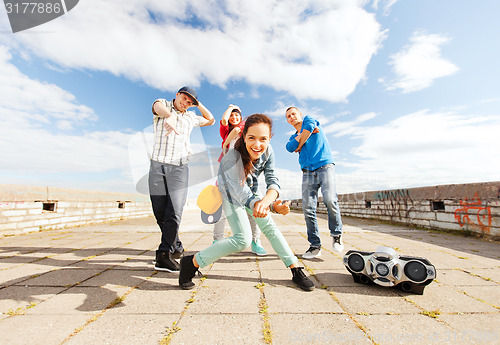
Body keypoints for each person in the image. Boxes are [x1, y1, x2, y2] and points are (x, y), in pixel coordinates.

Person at [179, 114, 315, 291]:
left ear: (269, 139)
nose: (257, 145)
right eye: (251, 138)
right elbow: (241, 194)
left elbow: (272, 179)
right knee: (242, 240)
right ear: (243, 137)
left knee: (270, 228)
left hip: (252, 192)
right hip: (231, 195)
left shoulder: (268, 151)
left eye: (263, 139)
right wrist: (270, 207)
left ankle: (295, 268)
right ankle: (192, 262)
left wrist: (269, 201)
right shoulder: (231, 158)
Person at [149, 86, 215, 272]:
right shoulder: (163, 106)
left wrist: (198, 104)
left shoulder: (190, 117)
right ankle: (176, 245)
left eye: (189, 102)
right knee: (160, 212)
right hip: (157, 166)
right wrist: (169, 116)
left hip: (179, 168)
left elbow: (211, 120)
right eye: (184, 98)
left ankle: (164, 255)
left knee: (175, 211)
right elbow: (156, 106)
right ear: (177, 95)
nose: (185, 103)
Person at [285, 107, 343, 259]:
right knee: (308, 208)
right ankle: (315, 245)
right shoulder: (293, 137)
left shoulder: (309, 119)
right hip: (307, 172)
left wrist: (300, 143)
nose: (291, 117)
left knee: (330, 199)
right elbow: (289, 148)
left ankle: (336, 234)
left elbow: (309, 128)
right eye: (288, 116)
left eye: (293, 114)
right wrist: (300, 139)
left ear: (300, 115)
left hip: (325, 166)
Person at [213, 104, 267, 256]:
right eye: (232, 115)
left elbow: (241, 130)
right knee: (222, 208)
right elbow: (224, 121)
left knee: (251, 207)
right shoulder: (225, 130)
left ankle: (256, 241)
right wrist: (230, 108)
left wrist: (226, 143)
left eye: (237, 115)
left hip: (244, 169)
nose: (234, 117)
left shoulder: (245, 127)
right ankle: (216, 242)